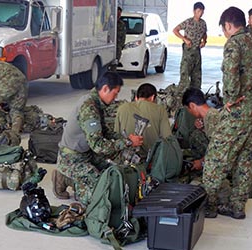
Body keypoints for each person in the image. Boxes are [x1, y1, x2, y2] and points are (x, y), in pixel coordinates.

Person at [202, 7, 252, 220]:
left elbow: (230, 71)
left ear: (228, 25)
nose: (225, 33)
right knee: (246, 157)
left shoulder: (234, 44)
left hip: (239, 110)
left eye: (224, 29)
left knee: (216, 155)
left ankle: (209, 206)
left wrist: (230, 98)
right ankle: (237, 207)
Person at [54, 72, 143, 205]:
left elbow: (104, 133)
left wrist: (126, 139)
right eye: (115, 93)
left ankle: (74, 177)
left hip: (86, 153)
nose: (116, 97)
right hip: (72, 159)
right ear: (105, 88)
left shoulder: (95, 102)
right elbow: (99, 146)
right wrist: (128, 142)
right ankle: (65, 178)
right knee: (98, 195)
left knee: (113, 167)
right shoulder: (89, 108)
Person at [114, 83, 172, 160]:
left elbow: (115, 134)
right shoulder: (160, 110)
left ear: (136, 97)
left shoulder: (121, 108)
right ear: (152, 97)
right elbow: (168, 138)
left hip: (126, 159)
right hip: (150, 160)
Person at [173, 2, 207, 89]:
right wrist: (184, 39)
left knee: (197, 76)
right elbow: (175, 30)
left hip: (197, 52)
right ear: (194, 11)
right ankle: (182, 96)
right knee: (185, 74)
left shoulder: (203, 23)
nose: (200, 13)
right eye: (199, 11)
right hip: (188, 51)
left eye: (202, 12)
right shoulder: (188, 22)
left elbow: (204, 33)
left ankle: (195, 95)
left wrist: (204, 41)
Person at [110, 6, 126, 71]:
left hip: (117, 48)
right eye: (117, 13)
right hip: (109, 46)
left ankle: (112, 76)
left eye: (120, 13)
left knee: (114, 65)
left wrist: (121, 46)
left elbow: (123, 36)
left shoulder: (121, 24)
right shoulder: (110, 22)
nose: (119, 15)